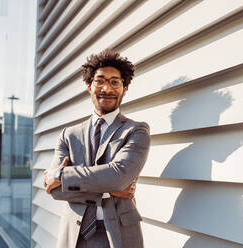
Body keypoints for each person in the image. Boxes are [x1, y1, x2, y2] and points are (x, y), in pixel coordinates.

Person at [43, 49, 150, 248]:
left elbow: (118, 178)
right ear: (89, 85)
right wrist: (110, 190)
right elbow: (56, 192)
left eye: (115, 82)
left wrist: (62, 176)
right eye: (100, 80)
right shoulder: (68, 135)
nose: (107, 88)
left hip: (118, 233)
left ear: (125, 88)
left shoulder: (136, 131)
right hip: (73, 233)